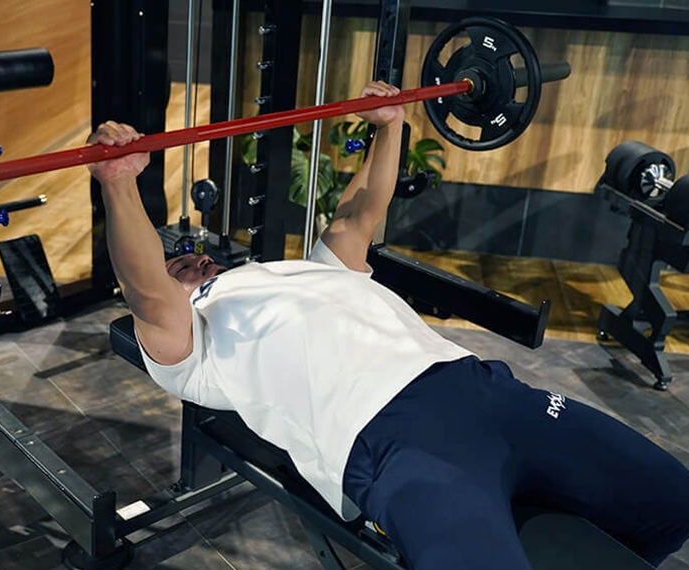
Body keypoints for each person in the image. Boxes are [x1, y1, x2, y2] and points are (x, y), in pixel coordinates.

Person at [86, 82, 689, 570]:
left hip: (489, 393)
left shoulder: (306, 270)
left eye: (198, 258)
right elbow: (147, 291)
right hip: (393, 443)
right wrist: (120, 184)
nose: (196, 261)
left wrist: (391, 124)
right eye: (180, 267)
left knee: (670, 501)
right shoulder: (194, 343)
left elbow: (359, 214)